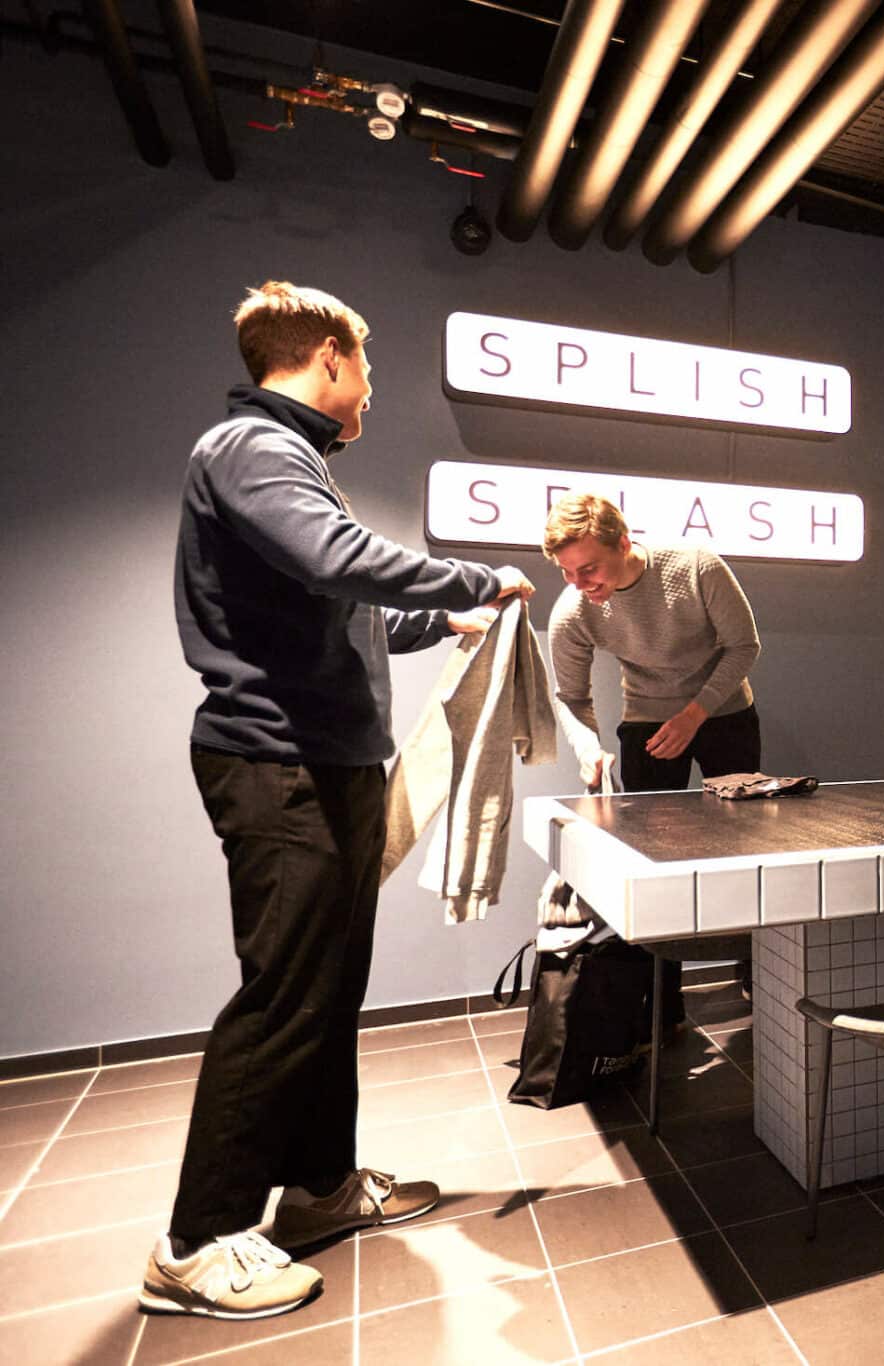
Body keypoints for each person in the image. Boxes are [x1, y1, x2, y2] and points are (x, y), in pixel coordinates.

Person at [147, 281, 535, 1319]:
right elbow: (337, 560)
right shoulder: (253, 453)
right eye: (366, 368)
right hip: (281, 767)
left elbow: (344, 611)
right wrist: (470, 583)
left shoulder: (290, 466)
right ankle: (195, 1242)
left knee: (323, 992)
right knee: (282, 996)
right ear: (328, 356)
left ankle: (317, 1188)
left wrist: (438, 630)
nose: (369, 392)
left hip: (326, 765)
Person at [542, 493, 763, 991]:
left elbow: (744, 646)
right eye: (567, 572)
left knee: (741, 847)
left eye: (590, 568)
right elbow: (570, 698)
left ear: (623, 543)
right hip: (647, 719)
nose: (580, 584)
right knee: (652, 861)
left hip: (724, 713)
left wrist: (694, 714)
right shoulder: (573, 611)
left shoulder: (695, 567)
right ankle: (663, 1001)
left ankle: (755, 967)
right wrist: (588, 749)